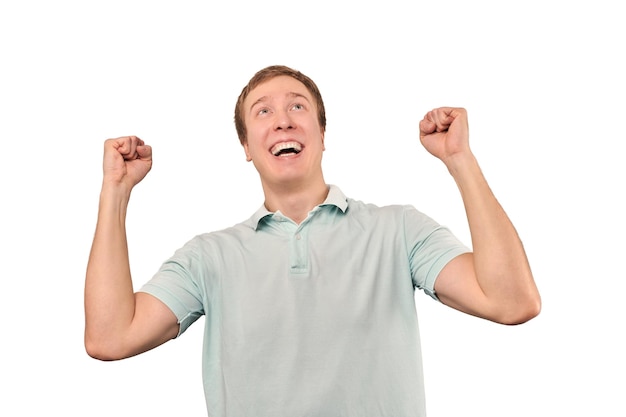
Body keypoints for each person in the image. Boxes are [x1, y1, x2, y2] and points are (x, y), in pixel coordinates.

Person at [84, 65, 541, 416]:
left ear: (323, 135)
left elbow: (512, 302)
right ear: (246, 146)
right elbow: (109, 337)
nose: (282, 120)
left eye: (297, 106)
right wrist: (115, 193)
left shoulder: (399, 231)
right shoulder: (209, 258)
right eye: (263, 111)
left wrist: (459, 159)